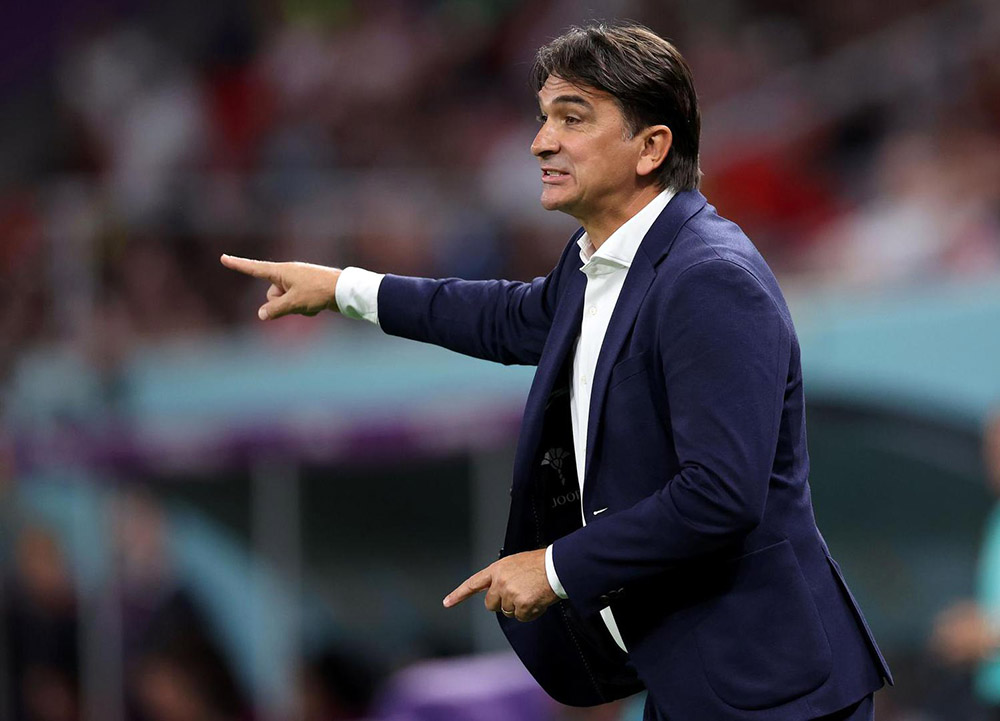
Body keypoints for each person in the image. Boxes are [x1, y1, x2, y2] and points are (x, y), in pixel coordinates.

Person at [221, 22, 892, 721]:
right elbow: (504, 318)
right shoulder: (598, 261)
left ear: (651, 147)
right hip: (700, 679)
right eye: (544, 118)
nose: (541, 142)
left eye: (572, 118)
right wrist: (344, 289)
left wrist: (553, 567)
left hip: (772, 688)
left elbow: (720, 494)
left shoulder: (709, 278)